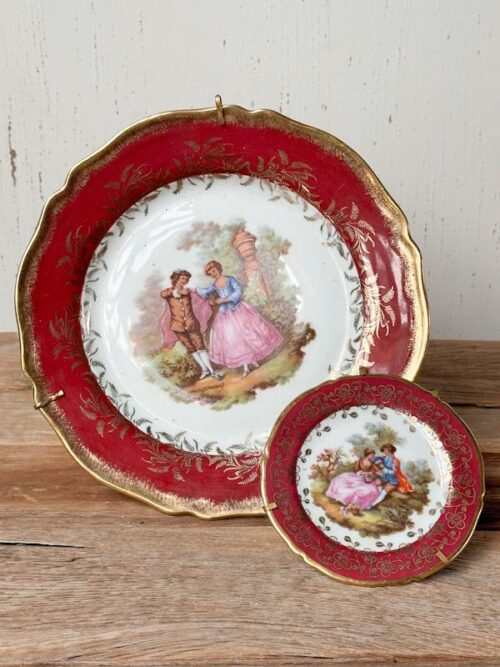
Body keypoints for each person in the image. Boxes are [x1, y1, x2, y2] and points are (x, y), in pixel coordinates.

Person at [196, 260, 283, 377]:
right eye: (210, 272)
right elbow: (205, 292)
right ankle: (246, 366)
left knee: (247, 334)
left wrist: (226, 299)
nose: (213, 273)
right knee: (234, 339)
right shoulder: (214, 285)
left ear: (218, 268)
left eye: (214, 270)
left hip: (238, 309)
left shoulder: (230, 279)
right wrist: (196, 291)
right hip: (225, 314)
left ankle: (251, 361)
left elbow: (238, 290)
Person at [159, 269, 222, 380]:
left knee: (201, 347)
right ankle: (204, 370)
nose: (185, 281)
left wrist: (180, 292)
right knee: (191, 349)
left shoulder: (187, 291)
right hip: (178, 327)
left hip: (192, 324)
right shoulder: (167, 292)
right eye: (183, 278)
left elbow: (191, 294)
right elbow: (163, 294)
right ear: (176, 278)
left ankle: (212, 371)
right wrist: (174, 291)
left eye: (187, 279)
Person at [326, 449, 385, 513]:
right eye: (371, 455)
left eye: (373, 455)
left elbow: (377, 471)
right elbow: (355, 469)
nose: (373, 456)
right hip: (357, 476)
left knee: (366, 491)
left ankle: (352, 505)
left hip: (366, 479)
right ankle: (341, 499)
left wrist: (371, 474)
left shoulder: (373, 463)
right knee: (341, 480)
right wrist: (360, 473)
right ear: (367, 455)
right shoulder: (360, 460)